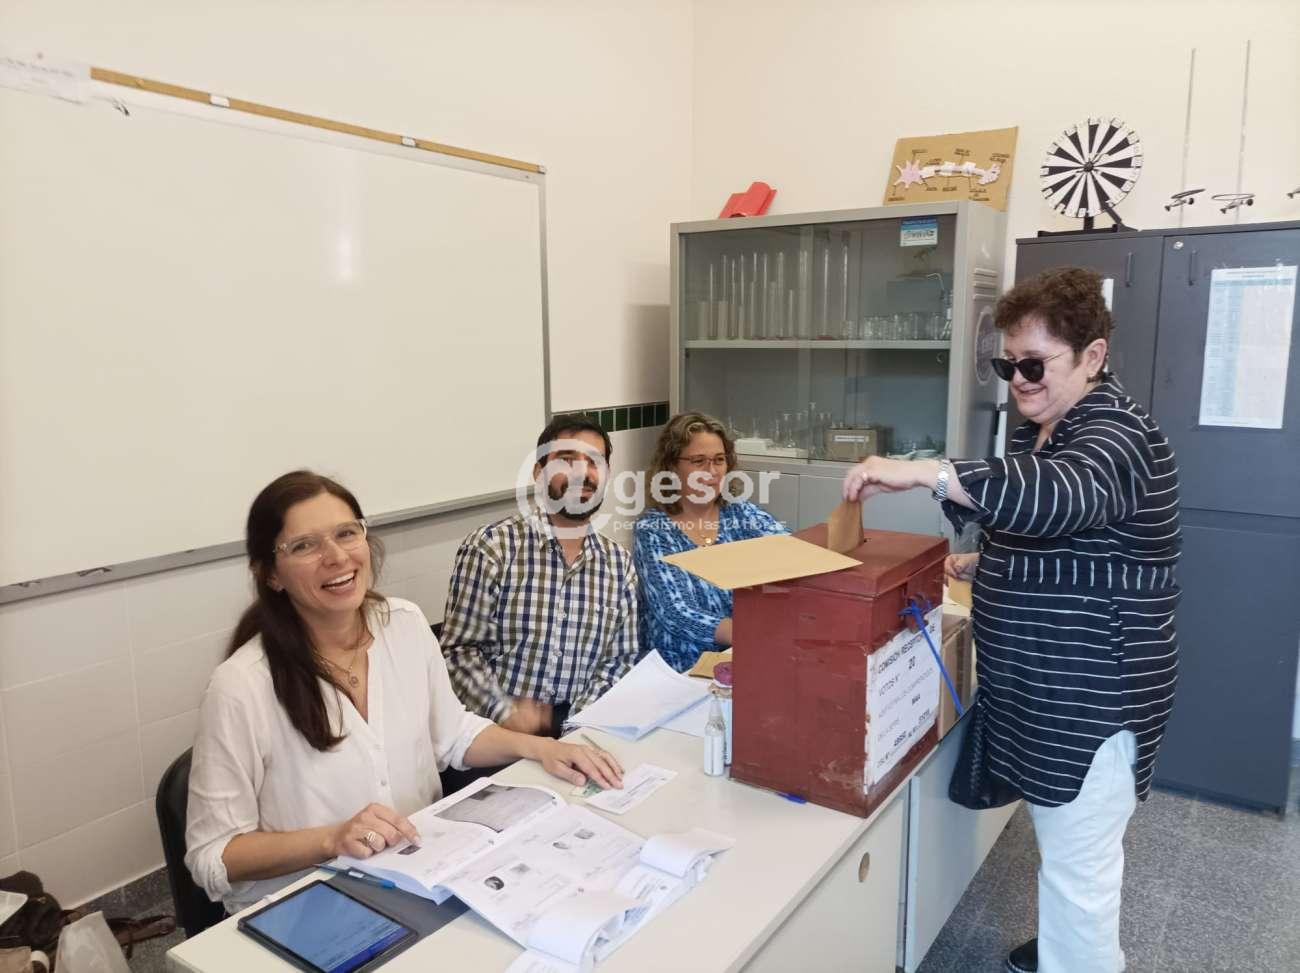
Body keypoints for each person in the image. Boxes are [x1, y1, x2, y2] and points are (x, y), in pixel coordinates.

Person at [842, 268, 1180, 973]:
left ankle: (1081, 957)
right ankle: (1067, 946)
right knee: (1066, 847)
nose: (1019, 381)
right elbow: (1050, 531)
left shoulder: (1119, 434)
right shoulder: (1043, 431)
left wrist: (927, 471)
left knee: (1083, 866)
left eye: (1034, 364)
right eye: (1008, 366)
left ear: (1092, 356)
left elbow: (1060, 496)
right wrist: (981, 563)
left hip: (1091, 696)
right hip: (1045, 686)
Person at [185, 471, 622, 915]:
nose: (336, 556)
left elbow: (452, 734)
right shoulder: (241, 686)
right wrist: (331, 839)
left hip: (421, 876)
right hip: (310, 904)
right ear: (271, 574)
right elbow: (211, 857)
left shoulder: (404, 624)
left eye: (346, 533)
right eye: (304, 546)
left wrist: (542, 748)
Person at [442, 414, 639, 735]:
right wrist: (504, 712)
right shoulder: (492, 547)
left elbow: (619, 660)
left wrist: (575, 725)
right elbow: (459, 653)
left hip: (580, 729)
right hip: (496, 732)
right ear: (538, 471)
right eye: (567, 459)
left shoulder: (619, 564)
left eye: (594, 462)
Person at [633, 412, 789, 672]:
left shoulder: (740, 514)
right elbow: (677, 613)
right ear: (671, 466)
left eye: (719, 460)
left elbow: (793, 553)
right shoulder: (654, 530)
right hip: (680, 670)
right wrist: (754, 634)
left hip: (739, 659)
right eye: (698, 461)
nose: (712, 471)